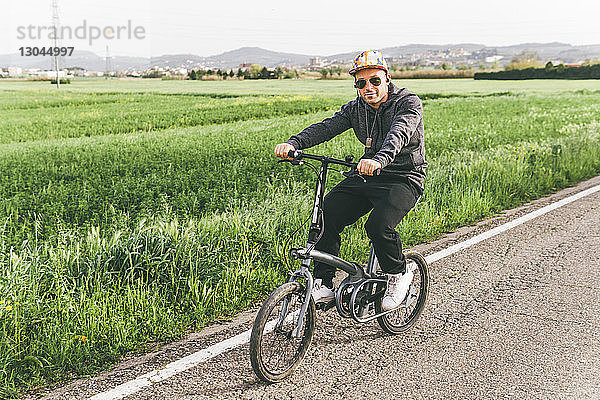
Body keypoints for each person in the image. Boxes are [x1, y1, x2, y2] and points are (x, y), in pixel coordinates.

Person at [274, 50, 427, 311]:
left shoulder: (408, 103)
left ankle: (398, 273)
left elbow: (398, 133)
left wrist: (380, 158)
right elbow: (327, 127)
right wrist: (294, 143)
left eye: (375, 81)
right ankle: (324, 282)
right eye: (361, 83)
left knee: (378, 226)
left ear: (387, 78)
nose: (368, 88)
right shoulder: (356, 108)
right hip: (368, 174)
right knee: (327, 214)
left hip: (403, 177)